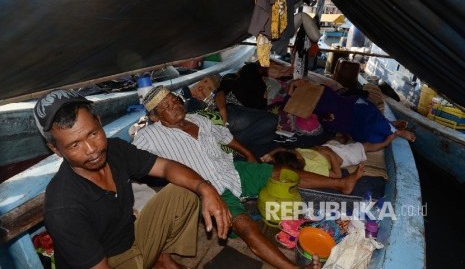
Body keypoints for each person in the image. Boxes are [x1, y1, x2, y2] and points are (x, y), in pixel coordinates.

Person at [133, 86, 365, 269]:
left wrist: (249, 154)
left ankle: (342, 183)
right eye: (165, 106)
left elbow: (225, 137)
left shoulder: (198, 119)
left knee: (281, 172)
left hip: (233, 170)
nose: (174, 105)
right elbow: (126, 159)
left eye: (174, 100)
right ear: (155, 117)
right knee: (246, 226)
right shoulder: (151, 137)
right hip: (209, 191)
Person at [33, 89, 231, 268]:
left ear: (99, 122)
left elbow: (166, 167)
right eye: (74, 145)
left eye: (93, 134)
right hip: (108, 262)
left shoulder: (115, 149)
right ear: (56, 150)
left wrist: (206, 188)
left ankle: (164, 260)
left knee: (185, 189)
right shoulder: (62, 206)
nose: (92, 150)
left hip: (131, 238)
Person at [260, 134, 396, 178]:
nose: (296, 151)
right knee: (365, 146)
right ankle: (387, 141)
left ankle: (344, 138)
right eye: (296, 153)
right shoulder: (313, 169)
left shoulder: (291, 158)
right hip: (342, 156)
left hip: (328, 146)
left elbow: (281, 149)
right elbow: (337, 175)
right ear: (296, 159)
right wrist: (330, 154)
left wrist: (269, 155)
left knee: (341, 137)